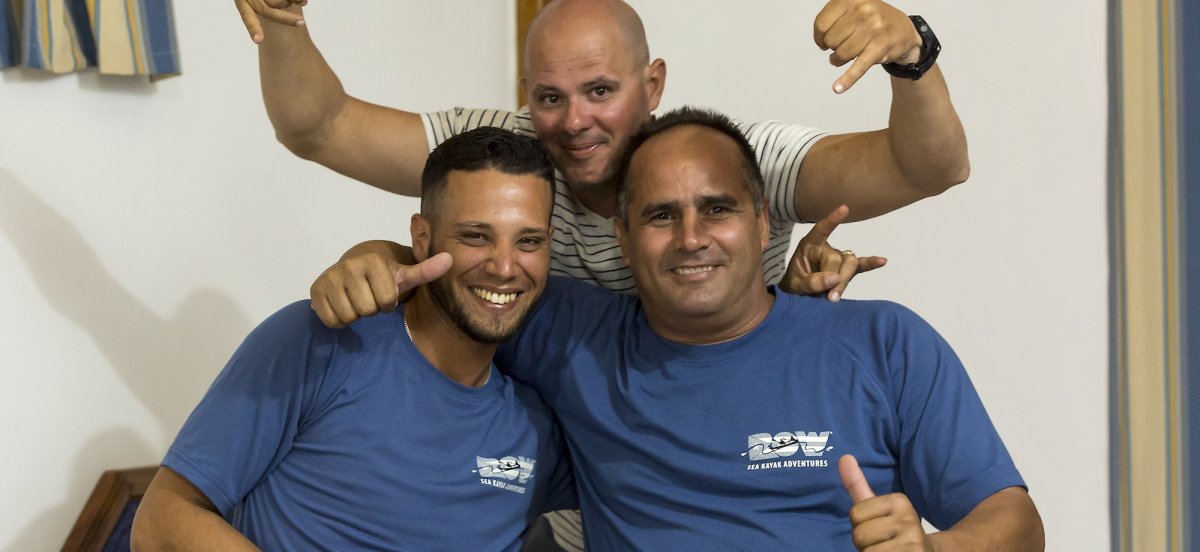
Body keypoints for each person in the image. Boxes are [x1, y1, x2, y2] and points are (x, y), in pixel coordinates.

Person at [388, 107, 1043, 549]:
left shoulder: (882, 344)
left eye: (717, 209)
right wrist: (379, 258)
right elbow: (462, 284)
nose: (692, 239)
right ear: (622, 236)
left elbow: (1015, 524)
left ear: (763, 221)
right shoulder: (567, 333)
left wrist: (937, 546)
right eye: (661, 216)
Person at [230, 0, 965, 328]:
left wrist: (911, 55)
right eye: (549, 97)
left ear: (655, 84)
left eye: (601, 92)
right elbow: (319, 126)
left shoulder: (731, 162)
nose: (573, 121)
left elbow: (927, 166)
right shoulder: (502, 156)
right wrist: (282, 13)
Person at [130, 128, 575, 551]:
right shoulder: (318, 342)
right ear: (422, 238)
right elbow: (163, 521)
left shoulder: (537, 427)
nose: (504, 266)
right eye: (476, 236)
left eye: (528, 241)